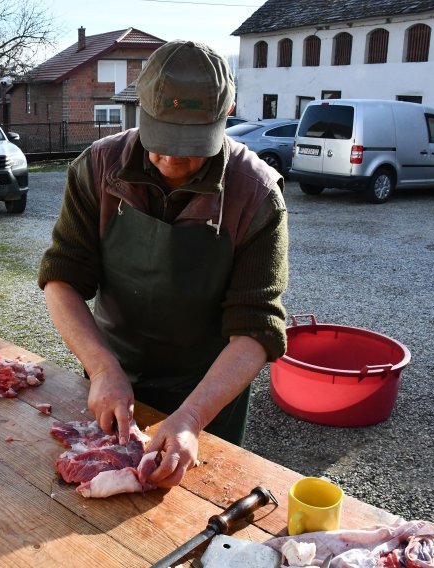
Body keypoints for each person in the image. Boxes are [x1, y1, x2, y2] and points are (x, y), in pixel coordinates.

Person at [37, 40, 289, 489]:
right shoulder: (97, 167)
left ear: (227, 112)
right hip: (113, 371)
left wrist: (192, 416)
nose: (172, 158)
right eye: (161, 138)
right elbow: (62, 278)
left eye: (190, 143)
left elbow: (256, 327)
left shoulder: (256, 193)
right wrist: (101, 367)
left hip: (209, 389)